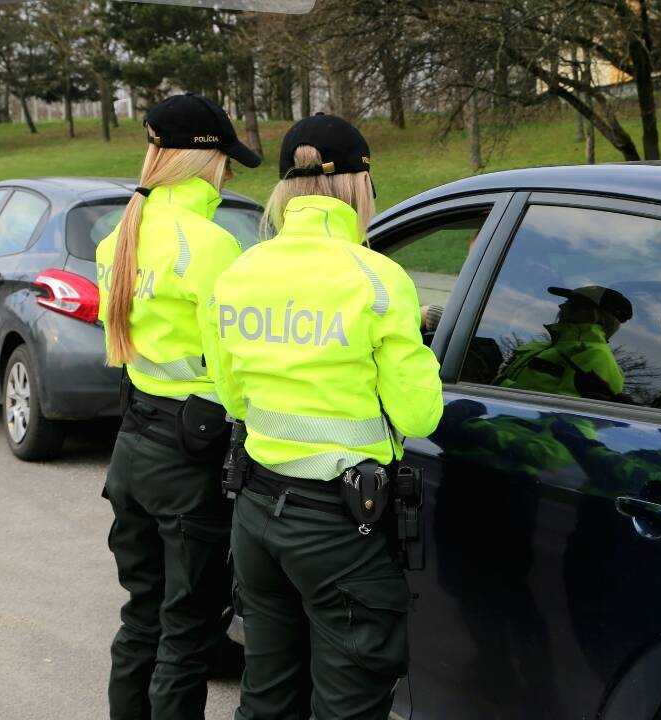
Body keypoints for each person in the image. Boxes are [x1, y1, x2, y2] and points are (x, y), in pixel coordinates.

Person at [209, 113, 444, 720]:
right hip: (343, 529)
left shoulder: (238, 273)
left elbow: (234, 399)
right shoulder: (380, 280)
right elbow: (418, 415)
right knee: (347, 705)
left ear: (287, 188)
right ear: (359, 185)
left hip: (257, 515)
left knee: (265, 697)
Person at [95, 93, 261, 720]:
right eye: (226, 162)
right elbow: (234, 366)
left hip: (133, 446)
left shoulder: (122, 236)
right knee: (188, 632)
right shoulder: (211, 246)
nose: (228, 173)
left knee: (143, 615)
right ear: (203, 161)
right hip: (190, 457)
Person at [493, 285, 633, 401]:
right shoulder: (547, 346)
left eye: (570, 303)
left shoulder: (596, 357)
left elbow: (568, 421)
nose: (560, 306)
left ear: (592, 314)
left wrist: (495, 381)